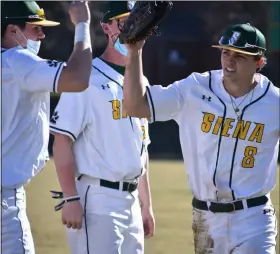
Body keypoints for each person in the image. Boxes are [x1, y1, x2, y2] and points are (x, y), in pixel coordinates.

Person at [123, 23, 279, 253]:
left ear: (259, 63)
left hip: (254, 218)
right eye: (226, 52)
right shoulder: (194, 88)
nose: (229, 61)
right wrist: (135, 52)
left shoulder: (274, 103)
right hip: (205, 218)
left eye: (240, 55)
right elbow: (136, 107)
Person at [50, 2, 155, 254]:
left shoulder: (141, 82)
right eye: (124, 22)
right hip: (97, 199)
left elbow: (141, 149)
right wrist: (70, 197)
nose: (132, 29)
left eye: (137, 22)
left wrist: (146, 205)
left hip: (129, 201)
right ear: (106, 27)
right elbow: (62, 140)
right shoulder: (87, 78)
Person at [1, 1, 92, 253]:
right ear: (12, 30)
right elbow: (78, 78)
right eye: (34, 28)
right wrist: (82, 25)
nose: (41, 35)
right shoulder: (16, 61)